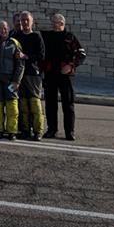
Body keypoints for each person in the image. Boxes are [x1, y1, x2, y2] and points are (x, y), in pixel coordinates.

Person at [41, 13, 86, 141]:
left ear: (62, 23)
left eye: (55, 22)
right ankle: (52, 129)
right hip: (50, 75)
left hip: (65, 76)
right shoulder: (47, 36)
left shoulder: (70, 37)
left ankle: (69, 131)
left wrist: (71, 66)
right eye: (52, 21)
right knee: (50, 104)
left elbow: (81, 55)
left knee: (68, 104)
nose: (53, 24)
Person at [14, 11, 45, 140]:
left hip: (33, 74)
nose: (25, 22)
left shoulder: (36, 37)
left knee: (35, 103)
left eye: (27, 20)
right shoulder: (16, 36)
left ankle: (38, 131)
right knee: (23, 104)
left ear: (32, 21)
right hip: (20, 75)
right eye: (22, 20)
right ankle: (25, 130)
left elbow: (41, 56)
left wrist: (25, 56)